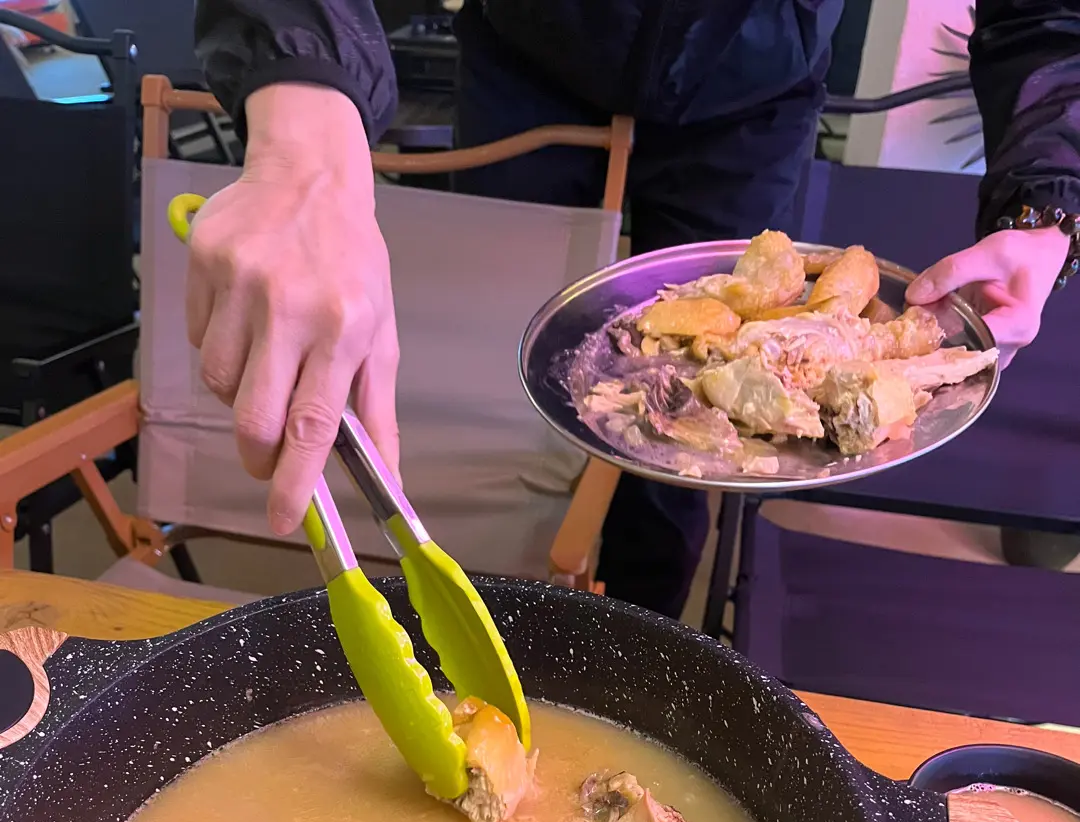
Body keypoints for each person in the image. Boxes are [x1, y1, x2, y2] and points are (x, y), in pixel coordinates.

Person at [189, 0, 1080, 614]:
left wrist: (1050, 202)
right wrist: (304, 128)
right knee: (495, 390)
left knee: (682, 465)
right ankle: (496, 602)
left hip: (751, 92)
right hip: (531, 58)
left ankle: (637, 635)